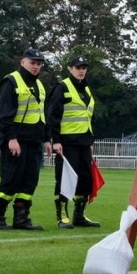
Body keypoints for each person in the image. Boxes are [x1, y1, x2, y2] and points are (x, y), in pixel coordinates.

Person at [0, 48, 52, 231]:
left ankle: (21, 218)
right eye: (32, 63)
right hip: (16, 139)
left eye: (39, 64)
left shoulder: (39, 85)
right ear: (22, 62)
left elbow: (42, 114)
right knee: (10, 179)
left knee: (30, 180)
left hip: (34, 140)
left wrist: (47, 138)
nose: (36, 67)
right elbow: (4, 114)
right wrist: (11, 138)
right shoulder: (11, 81)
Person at [47, 54, 101, 229]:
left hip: (84, 142)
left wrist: (90, 141)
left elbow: (88, 117)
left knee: (85, 180)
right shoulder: (62, 87)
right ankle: (62, 216)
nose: (81, 71)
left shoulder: (86, 89)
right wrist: (56, 140)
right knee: (65, 180)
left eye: (84, 67)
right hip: (67, 142)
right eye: (78, 67)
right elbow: (53, 116)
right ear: (70, 68)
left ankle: (79, 215)